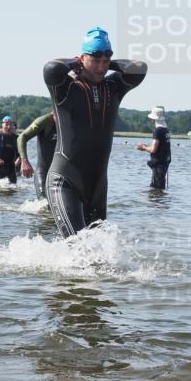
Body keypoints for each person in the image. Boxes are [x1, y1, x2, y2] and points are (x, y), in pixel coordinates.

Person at [42, 26, 147, 237]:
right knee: (78, 247)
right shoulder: (65, 87)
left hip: (97, 187)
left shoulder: (114, 86)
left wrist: (109, 62)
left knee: (97, 252)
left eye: (106, 61)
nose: (101, 67)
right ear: (82, 58)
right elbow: (51, 67)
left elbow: (140, 67)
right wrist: (78, 61)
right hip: (64, 181)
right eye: (95, 60)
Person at [18, 112, 56, 198]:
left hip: (63, 173)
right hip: (44, 172)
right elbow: (22, 137)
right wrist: (24, 161)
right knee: (44, 204)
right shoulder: (44, 121)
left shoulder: (71, 120)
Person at [136, 105, 172, 189]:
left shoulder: (158, 130)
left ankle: (156, 201)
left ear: (153, 119)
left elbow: (153, 149)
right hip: (165, 162)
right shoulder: (166, 130)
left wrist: (143, 148)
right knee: (159, 188)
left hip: (159, 164)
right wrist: (146, 146)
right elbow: (162, 147)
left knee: (157, 187)